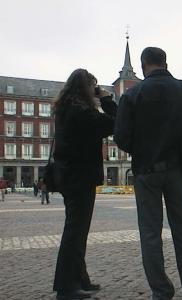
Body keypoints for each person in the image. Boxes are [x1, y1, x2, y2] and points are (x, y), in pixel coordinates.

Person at [114, 47, 182, 300]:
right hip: (179, 170)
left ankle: (161, 292)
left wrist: (143, 147)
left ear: (144, 65)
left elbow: (121, 138)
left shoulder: (132, 95)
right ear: (165, 63)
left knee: (150, 233)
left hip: (146, 172)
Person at [52, 69, 117, 300]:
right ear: (86, 88)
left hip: (70, 176)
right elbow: (114, 123)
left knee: (77, 231)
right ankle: (66, 287)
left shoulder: (67, 108)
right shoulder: (81, 112)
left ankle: (80, 279)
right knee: (75, 232)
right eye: (93, 86)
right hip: (79, 178)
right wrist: (106, 98)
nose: (95, 90)